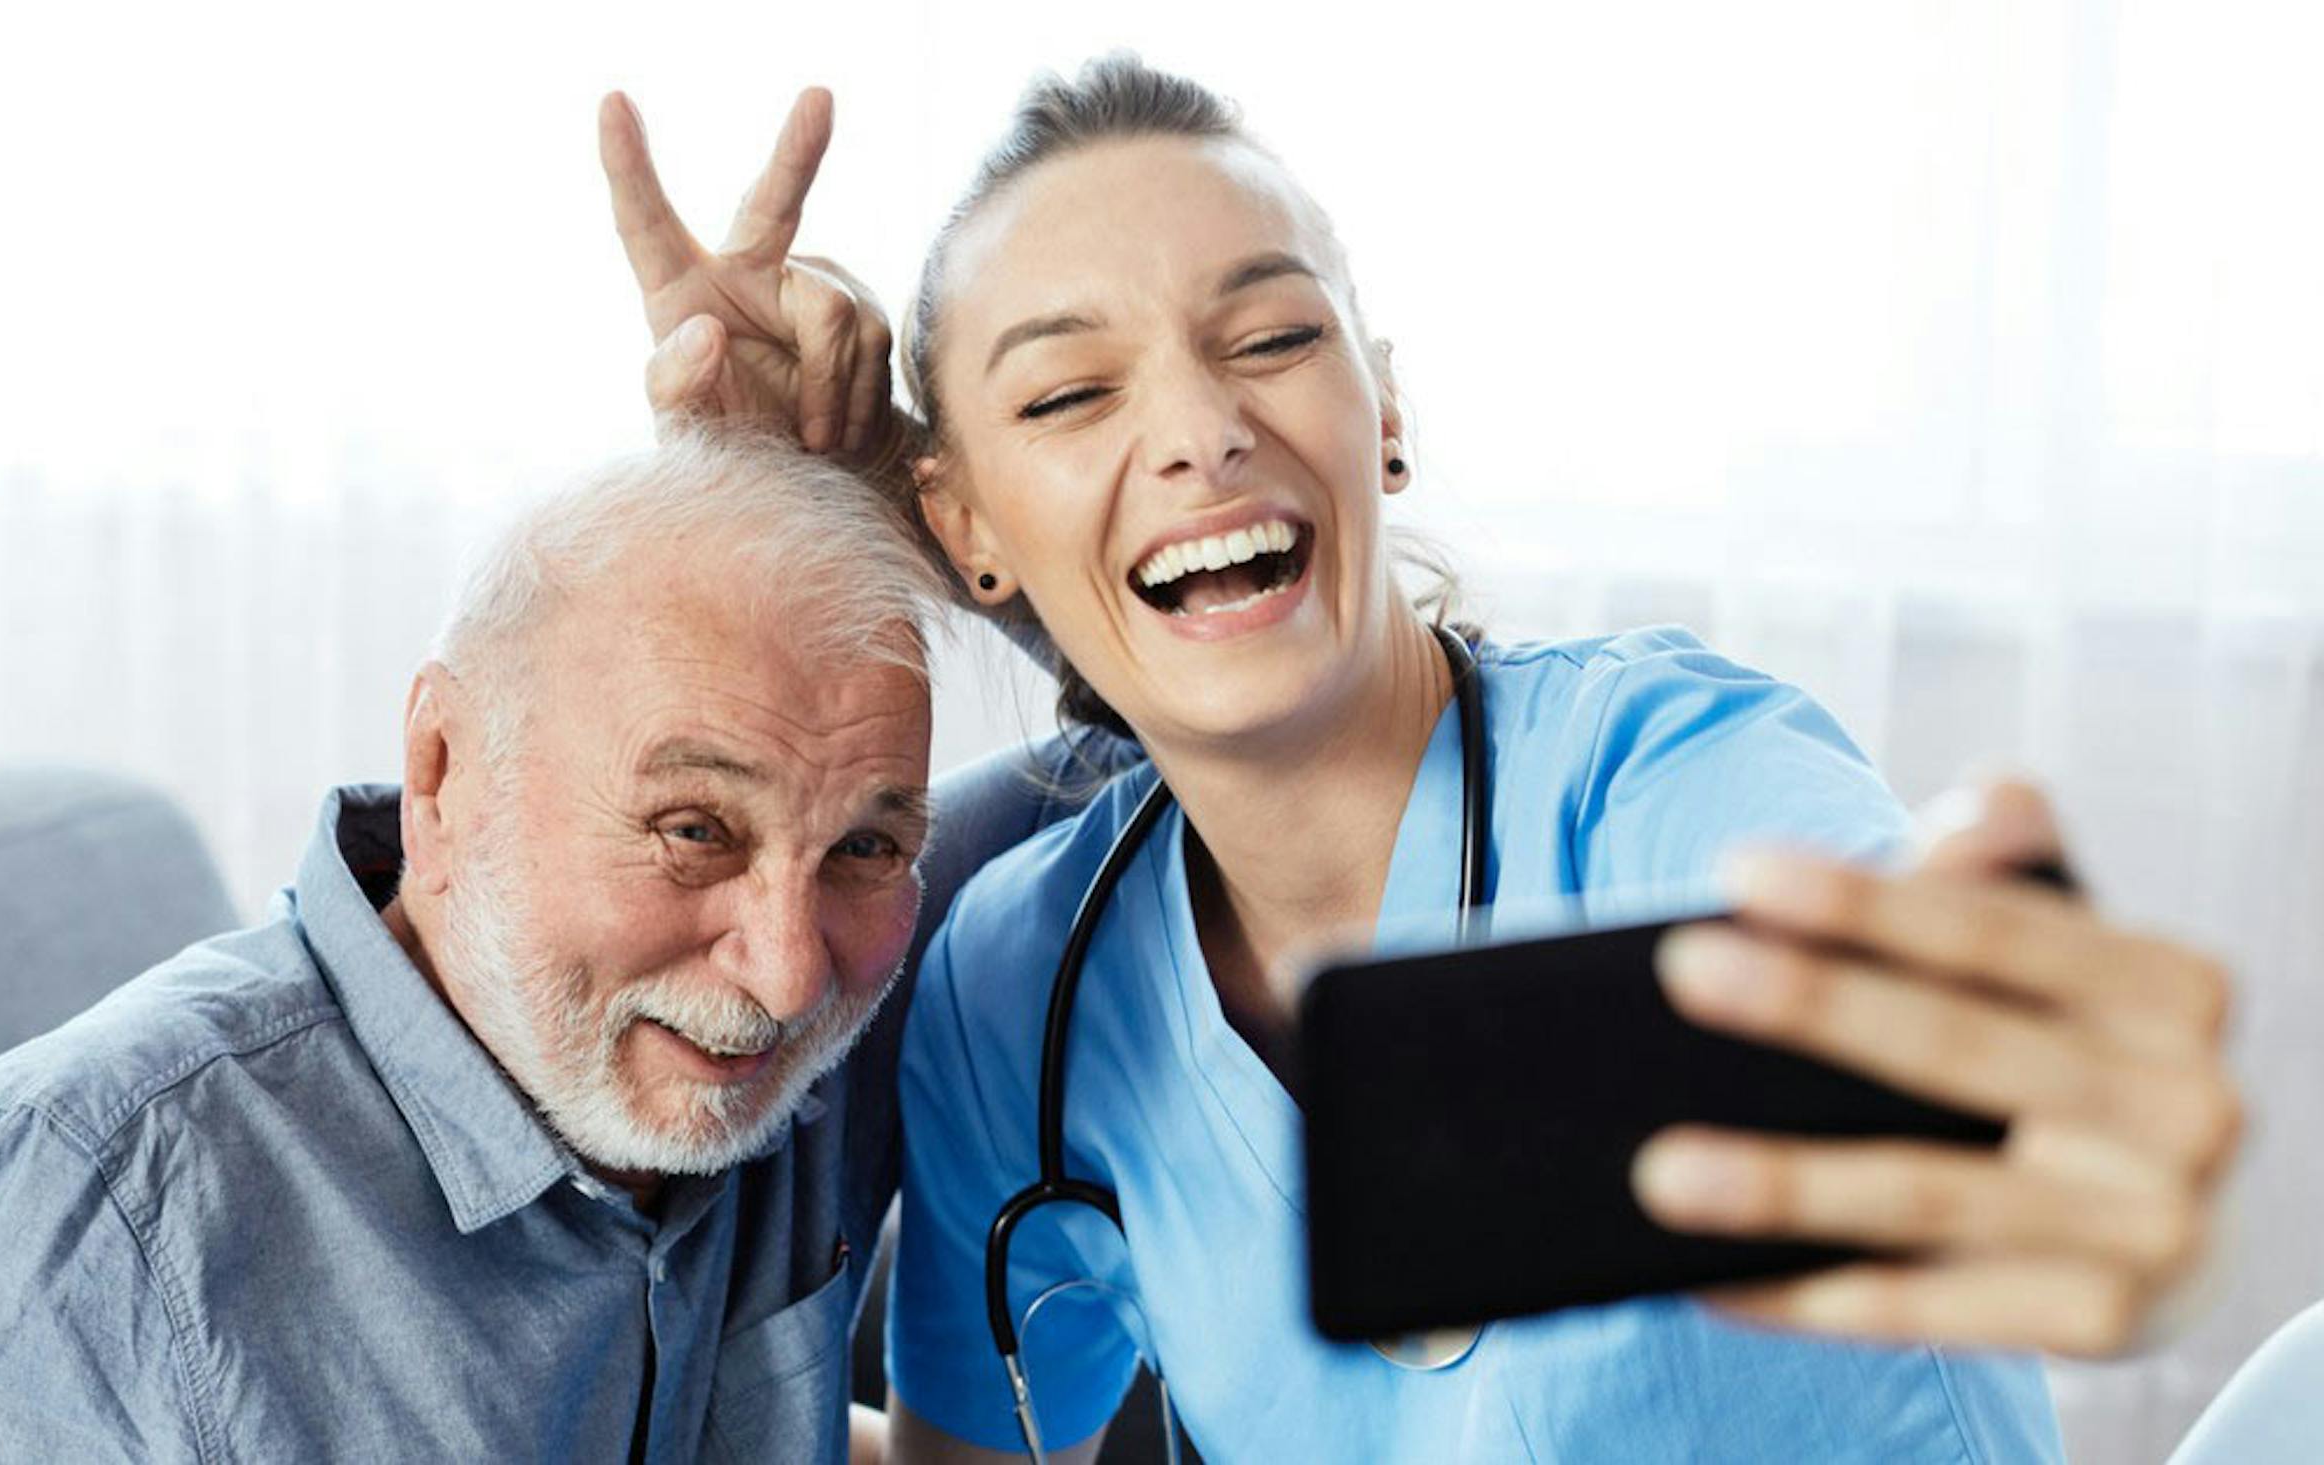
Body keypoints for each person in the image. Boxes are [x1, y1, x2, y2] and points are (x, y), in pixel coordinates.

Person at [601, 56, 2242, 1461]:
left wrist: (2040, 1062)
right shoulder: (1016, 986)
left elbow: (1946, 1014)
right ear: (957, 526)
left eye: (1268, 340)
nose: (1199, 428)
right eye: (1073, 391)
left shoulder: (1662, 773)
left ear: (1381, 406)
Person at [0, 429, 949, 1461]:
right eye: (693, 830)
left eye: (863, 849)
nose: (789, 971)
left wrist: (910, 460)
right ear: (441, 772)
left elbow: (1114, 775)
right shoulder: (91, 1206)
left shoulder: (809, 1041)